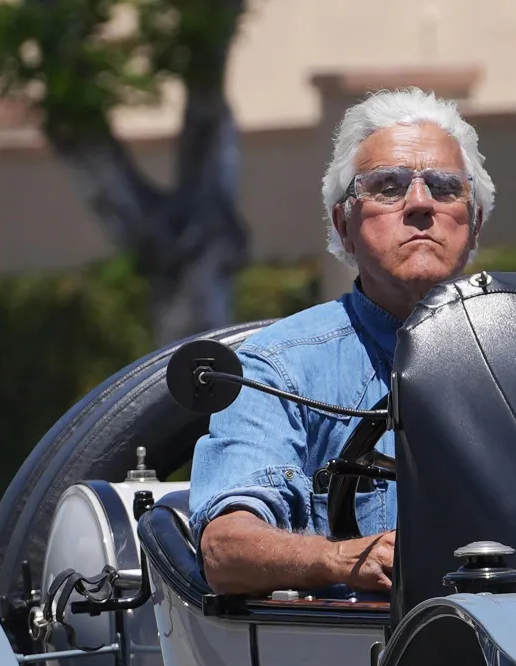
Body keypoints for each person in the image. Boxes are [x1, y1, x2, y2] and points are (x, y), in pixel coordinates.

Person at [188, 87, 496, 596]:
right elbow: (225, 550)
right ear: (343, 224)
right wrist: (338, 558)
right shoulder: (276, 368)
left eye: (444, 188)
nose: (420, 204)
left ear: (474, 221)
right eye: (388, 187)